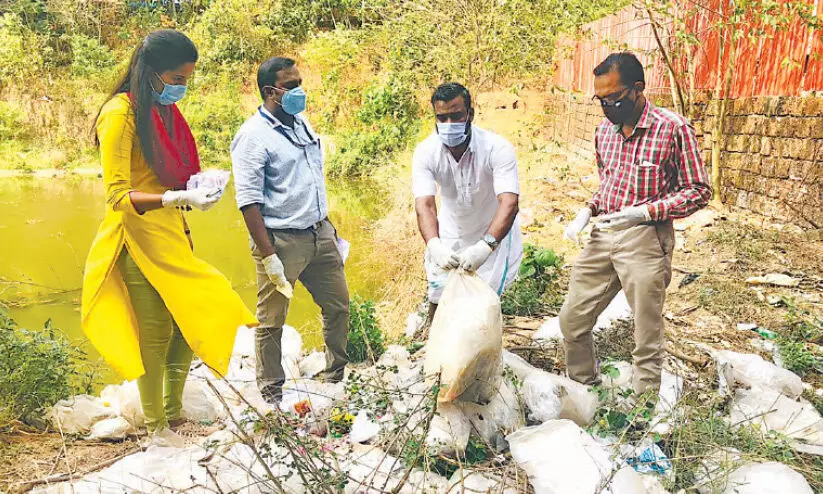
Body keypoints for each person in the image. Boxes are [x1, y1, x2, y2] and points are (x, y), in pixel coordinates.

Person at [81, 30, 256, 445]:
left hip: (171, 232)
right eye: (178, 77)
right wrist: (176, 196)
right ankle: (157, 427)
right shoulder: (119, 115)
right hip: (135, 237)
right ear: (153, 73)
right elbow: (117, 194)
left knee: (188, 321)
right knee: (155, 332)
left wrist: (198, 186)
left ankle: (174, 415)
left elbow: (170, 168)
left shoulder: (162, 114)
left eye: (188, 78)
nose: (182, 87)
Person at [560, 52, 711, 395]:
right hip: (604, 232)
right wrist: (589, 209)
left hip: (645, 238)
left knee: (646, 333)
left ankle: (640, 417)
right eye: (601, 99)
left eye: (614, 97)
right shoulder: (604, 132)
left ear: (638, 89)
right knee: (572, 319)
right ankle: (584, 390)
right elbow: (610, 182)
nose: (607, 106)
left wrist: (646, 212)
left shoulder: (672, 128)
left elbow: (699, 191)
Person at [231, 57, 349, 403]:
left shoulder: (300, 123)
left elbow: (311, 178)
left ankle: (335, 377)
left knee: (338, 306)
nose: (300, 91)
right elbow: (248, 202)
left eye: (300, 82)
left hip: (319, 234)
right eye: (291, 86)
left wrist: (328, 226)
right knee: (271, 322)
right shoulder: (252, 137)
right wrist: (269, 257)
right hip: (281, 241)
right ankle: (271, 394)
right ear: (271, 92)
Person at [412, 82, 522, 327]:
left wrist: (486, 246)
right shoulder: (426, 152)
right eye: (442, 118)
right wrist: (434, 244)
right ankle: (435, 352)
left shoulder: (496, 148)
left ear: (470, 114)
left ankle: (481, 356)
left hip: (493, 233)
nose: (449, 124)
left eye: (456, 116)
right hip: (451, 232)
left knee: (482, 302)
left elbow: (509, 203)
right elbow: (425, 205)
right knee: (439, 296)